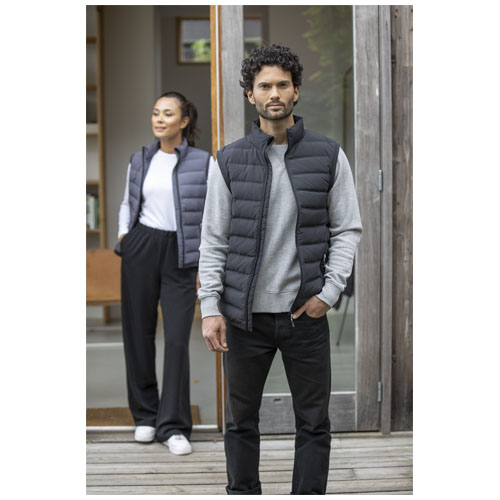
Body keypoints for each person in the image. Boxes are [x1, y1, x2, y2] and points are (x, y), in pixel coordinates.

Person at [198, 44, 362, 494]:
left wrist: (328, 293)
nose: (274, 93)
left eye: (283, 85)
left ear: (296, 91)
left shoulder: (328, 155)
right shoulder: (229, 159)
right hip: (243, 317)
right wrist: (210, 306)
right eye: (265, 86)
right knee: (240, 421)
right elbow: (213, 238)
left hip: (303, 313)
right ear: (250, 94)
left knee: (313, 421)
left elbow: (347, 228)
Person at [115, 91, 214, 455]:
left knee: (176, 339)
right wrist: (124, 237)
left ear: (184, 121)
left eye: (167, 114)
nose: (159, 119)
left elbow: (212, 215)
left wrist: (206, 263)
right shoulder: (140, 158)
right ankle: (144, 416)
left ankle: (173, 425)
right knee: (137, 333)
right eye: (156, 113)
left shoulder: (203, 162)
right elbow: (128, 203)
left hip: (181, 253)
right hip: (142, 246)